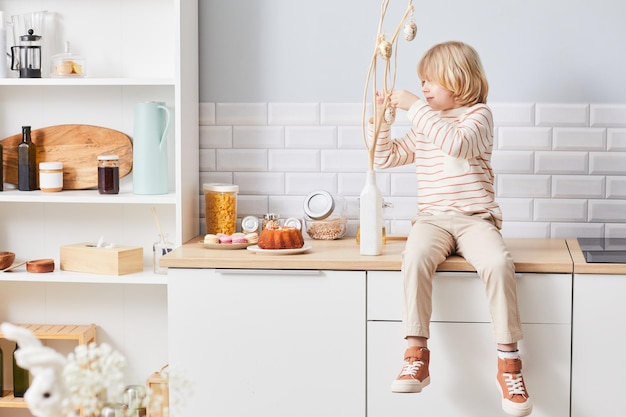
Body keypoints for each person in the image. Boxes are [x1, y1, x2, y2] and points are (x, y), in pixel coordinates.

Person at [369, 41, 532, 417]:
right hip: (432, 219)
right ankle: (416, 352)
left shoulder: (478, 116)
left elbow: (456, 145)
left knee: (497, 263)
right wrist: (383, 122)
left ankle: (508, 363)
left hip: (476, 218)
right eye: (420, 82)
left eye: (430, 81)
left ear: (458, 81)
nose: (423, 88)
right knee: (415, 256)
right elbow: (386, 157)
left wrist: (414, 106)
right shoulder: (427, 123)